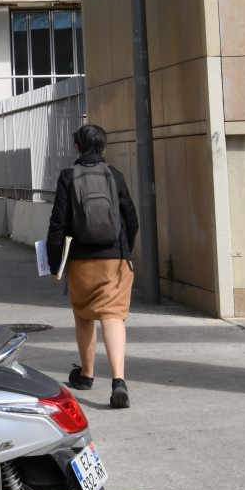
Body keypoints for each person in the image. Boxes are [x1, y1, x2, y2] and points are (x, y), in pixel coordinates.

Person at [45, 123, 140, 409]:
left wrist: (54, 263)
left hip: (82, 260)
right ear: (104, 147)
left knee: (84, 315)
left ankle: (86, 375)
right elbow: (131, 217)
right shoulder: (115, 175)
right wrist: (126, 250)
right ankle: (118, 381)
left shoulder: (68, 176)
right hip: (115, 258)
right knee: (113, 316)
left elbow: (58, 224)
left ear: (78, 148)